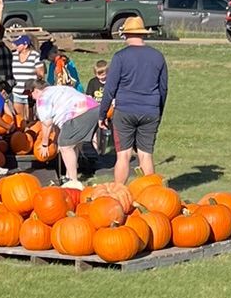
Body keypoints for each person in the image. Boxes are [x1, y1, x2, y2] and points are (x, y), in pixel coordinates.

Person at [97, 15, 168, 182]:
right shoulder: (158, 56)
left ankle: (119, 192)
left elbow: (110, 89)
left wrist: (102, 114)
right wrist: (158, 111)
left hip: (125, 110)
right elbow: (163, 88)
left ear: (126, 34)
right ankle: (150, 192)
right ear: (143, 34)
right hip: (150, 110)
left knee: (123, 155)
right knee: (146, 154)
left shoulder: (120, 57)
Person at [34, 78, 101, 184]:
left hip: (80, 113)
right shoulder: (57, 89)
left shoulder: (42, 98)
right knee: (72, 144)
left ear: (36, 90)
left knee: (65, 146)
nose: (32, 98)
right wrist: (56, 140)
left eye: (31, 94)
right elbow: (57, 125)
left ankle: (73, 181)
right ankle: (68, 175)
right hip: (94, 108)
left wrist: (44, 144)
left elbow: (47, 123)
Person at [9, 35, 40, 111]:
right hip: (16, 92)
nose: (16, 46)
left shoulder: (35, 55)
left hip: (30, 94)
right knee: (19, 117)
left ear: (25, 45)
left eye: (18, 44)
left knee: (30, 116)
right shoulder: (13, 56)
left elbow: (40, 74)